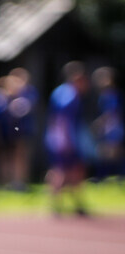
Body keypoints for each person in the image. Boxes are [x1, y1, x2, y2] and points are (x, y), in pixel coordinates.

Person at [44, 61, 91, 216]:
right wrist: (65, 141)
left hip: (59, 138)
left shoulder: (60, 91)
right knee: (64, 171)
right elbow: (63, 119)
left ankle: (73, 203)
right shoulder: (70, 94)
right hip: (65, 140)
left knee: (74, 170)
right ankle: (57, 203)